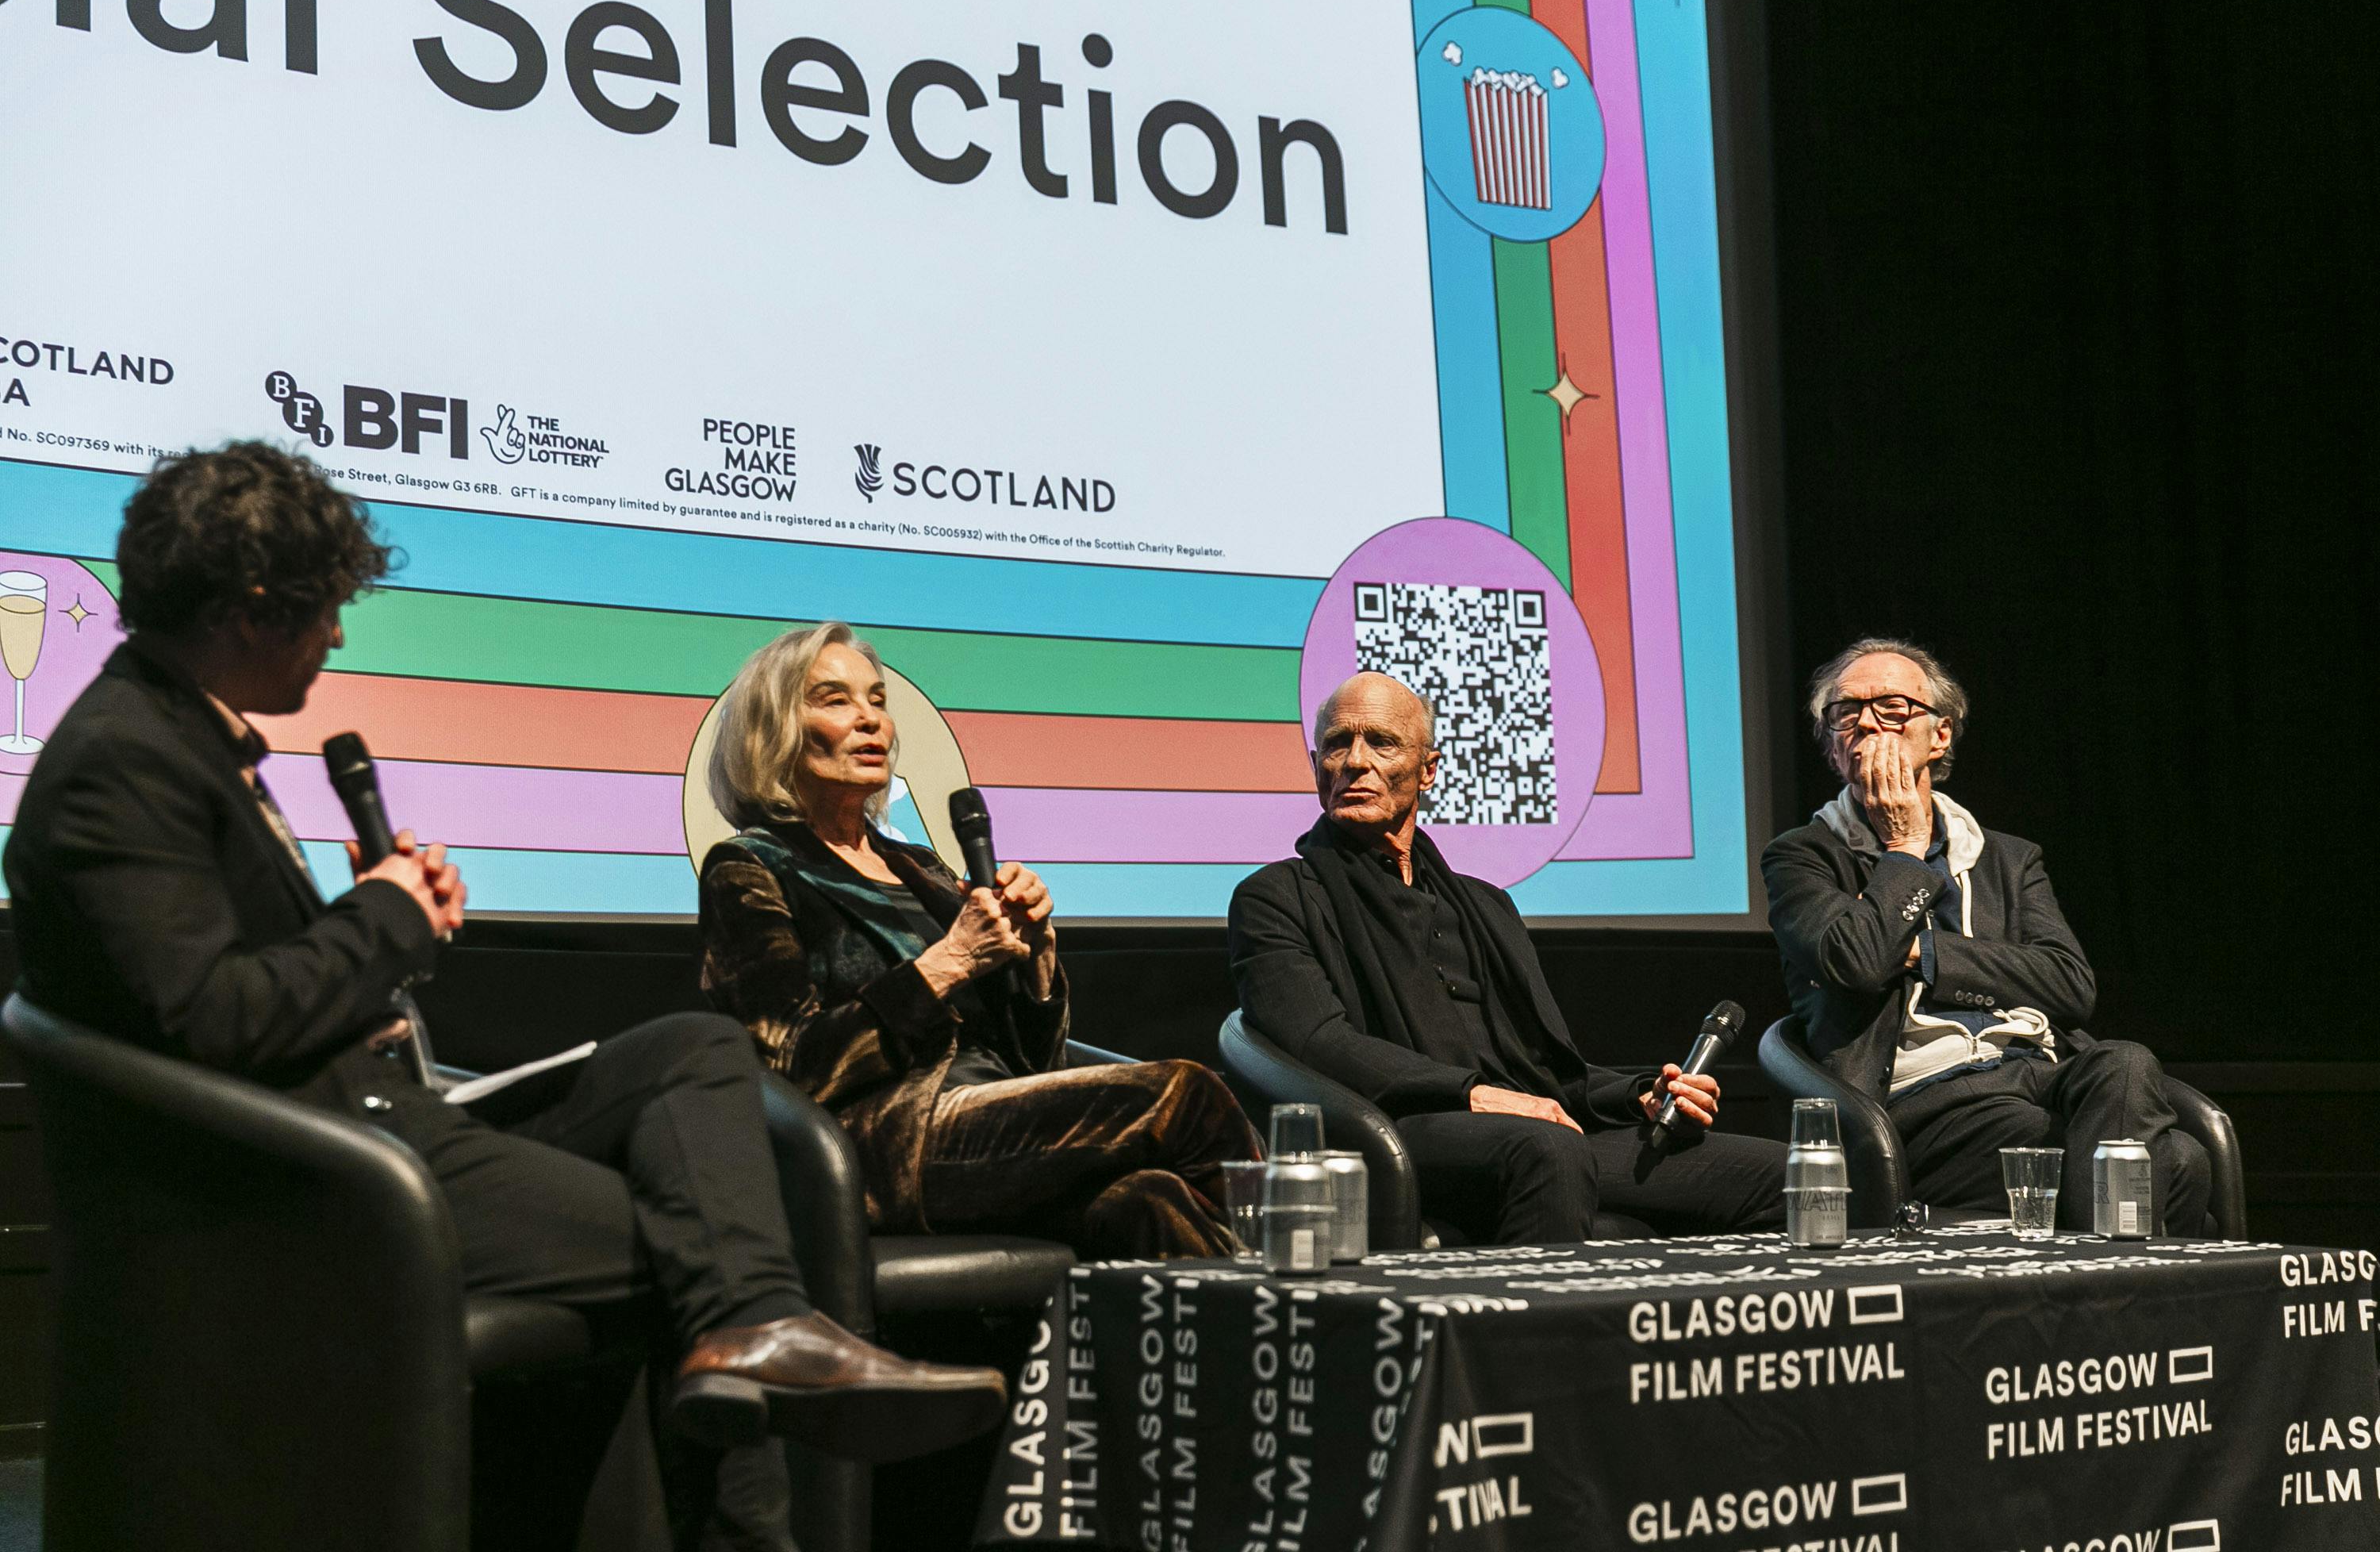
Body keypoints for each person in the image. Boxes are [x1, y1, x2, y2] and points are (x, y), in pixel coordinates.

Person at [2, 443, 1006, 1551]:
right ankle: (757, 1392)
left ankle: (755, 1326)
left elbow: (225, 993)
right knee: (709, 1255)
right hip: (318, 1167)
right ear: (252, 607)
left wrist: (374, 929)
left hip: (380, 1110)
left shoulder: (174, 740)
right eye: (325, 608)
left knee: (693, 1054)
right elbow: (217, 1021)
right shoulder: (121, 763)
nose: (335, 634)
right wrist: (383, 919)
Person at [696, 623, 1261, 1259]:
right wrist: (949, 962)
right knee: (1187, 1096)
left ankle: (1232, 1348)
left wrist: (1036, 955)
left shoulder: (921, 867)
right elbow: (789, 1067)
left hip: (994, 1119)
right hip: (889, 1141)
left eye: (878, 700)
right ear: (772, 729)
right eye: (835, 700)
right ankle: (1305, 1301)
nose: (871, 720)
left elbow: (1034, 1065)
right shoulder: (752, 869)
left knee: (1150, 1201)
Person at [1226, 672, 1787, 1244]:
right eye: (1337, 744)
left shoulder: (1485, 906)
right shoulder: (1277, 897)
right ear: (1315, 763)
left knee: (1782, 1179)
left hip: (1533, 1131)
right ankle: (1531, 1334)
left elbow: (1545, 1071)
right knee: (1548, 1148)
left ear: (1428, 771)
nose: (1354, 760)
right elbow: (1319, 1043)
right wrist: (1472, 1093)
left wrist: (1640, 1095)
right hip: (1397, 1132)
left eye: (1381, 742)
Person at [1762, 637, 2212, 1235]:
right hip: (1925, 1104)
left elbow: (2071, 986)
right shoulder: (1802, 857)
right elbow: (1863, 960)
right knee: (2180, 1161)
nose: (1867, 723)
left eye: (1892, 707)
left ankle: (2100, 1288)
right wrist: (1904, 849)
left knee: (2126, 1063)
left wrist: (1925, 953)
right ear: (1831, 743)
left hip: (2037, 1072)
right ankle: (2110, 1293)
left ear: (1940, 735)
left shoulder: (2007, 857)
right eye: (1847, 713)